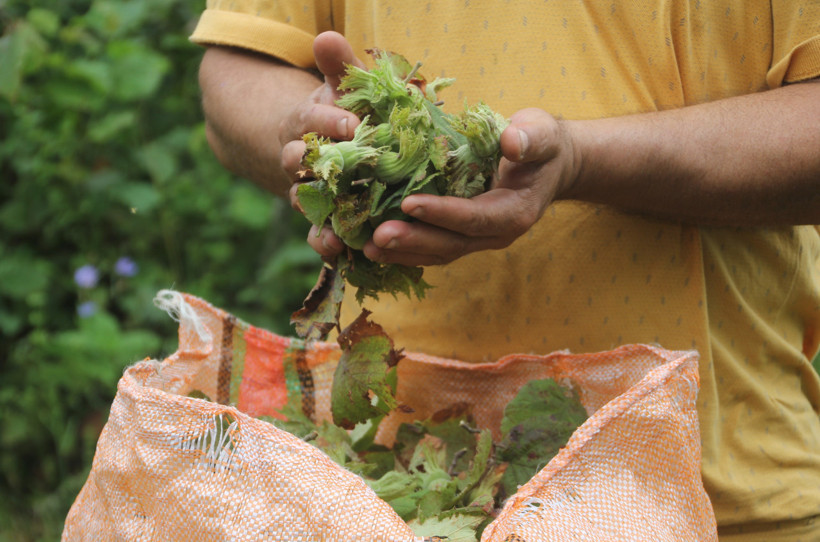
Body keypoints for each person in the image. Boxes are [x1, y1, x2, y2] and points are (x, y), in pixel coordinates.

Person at [192, 2, 820, 540]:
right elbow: (241, 64)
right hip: (393, 491)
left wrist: (581, 160)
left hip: (713, 495)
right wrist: (308, 133)